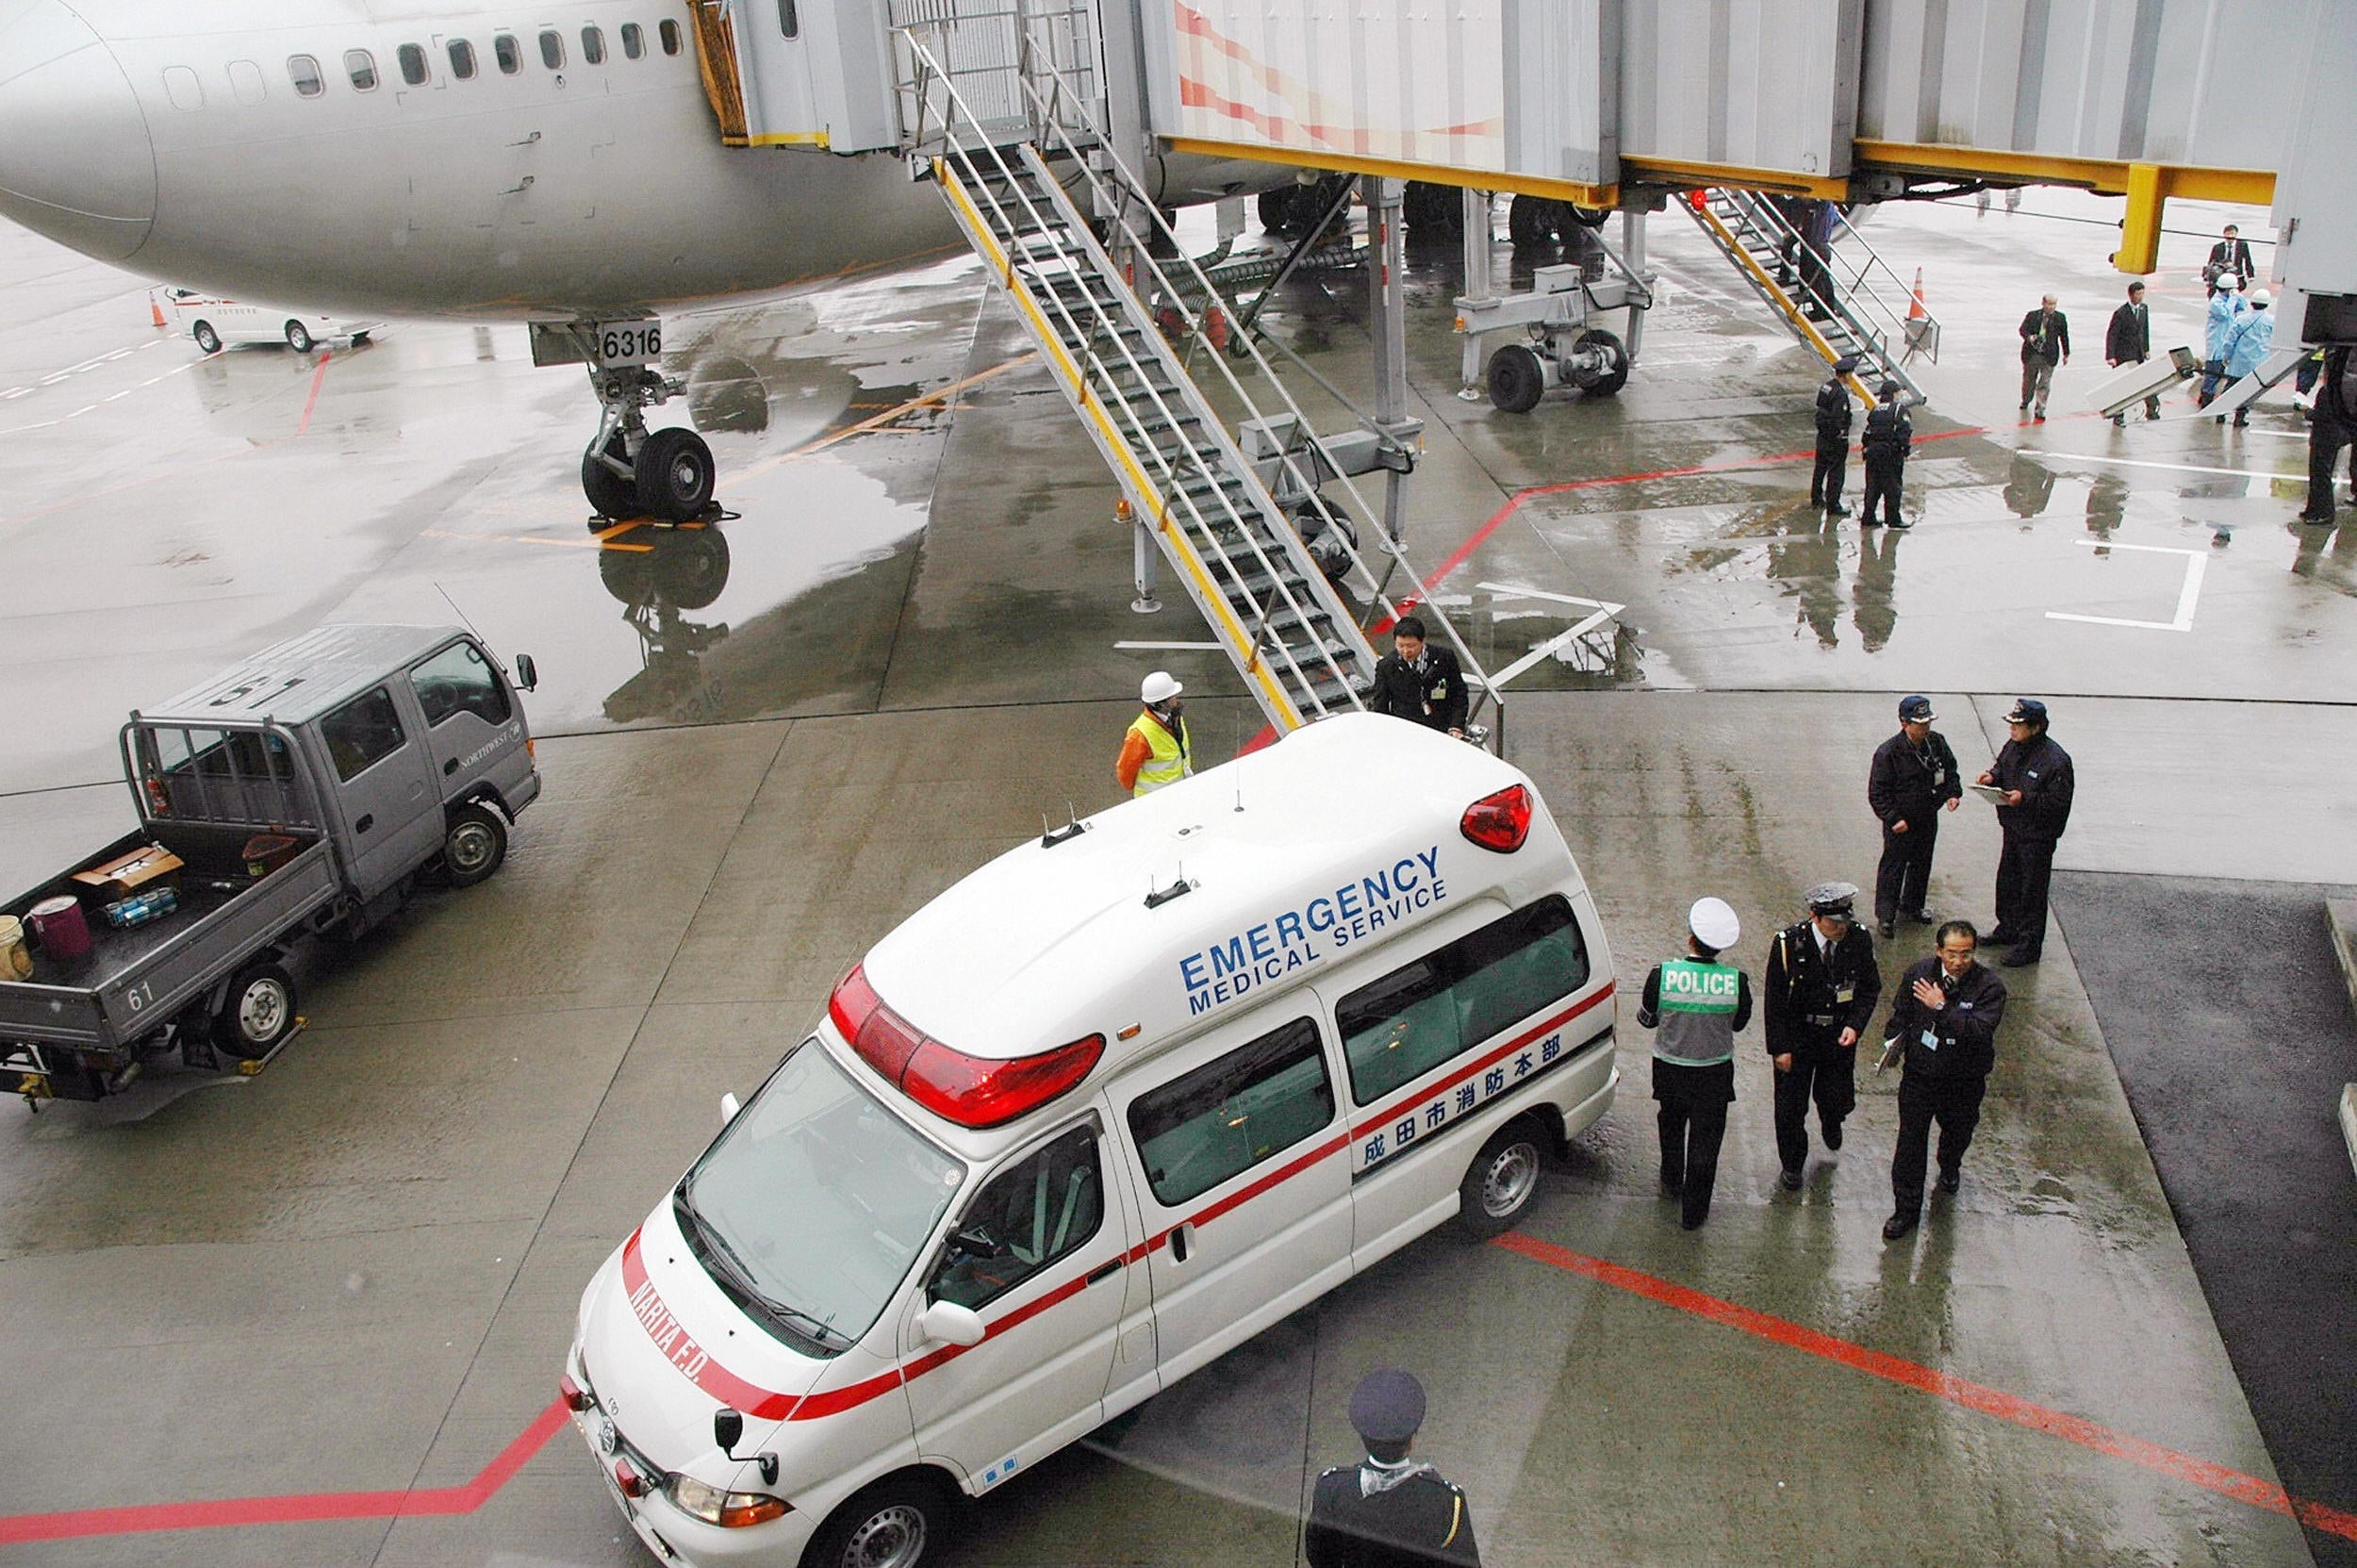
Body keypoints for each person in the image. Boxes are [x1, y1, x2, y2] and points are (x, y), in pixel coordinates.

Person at [1880, 920, 2006, 1240]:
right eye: (1952, 954)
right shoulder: (1919, 973)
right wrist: (1892, 1042)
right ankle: (1905, 1209)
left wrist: (1941, 1007)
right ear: (1939, 951)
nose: (1959, 961)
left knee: (1958, 1133)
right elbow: (1901, 1014)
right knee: (1910, 1142)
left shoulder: (1989, 987)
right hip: (1921, 1076)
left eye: (1966, 954)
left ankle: (1950, 1166)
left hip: (1963, 1080)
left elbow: (1979, 1031)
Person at [1638, 897, 1752, 1230]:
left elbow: (1647, 1020)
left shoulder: (1662, 975)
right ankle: (1694, 1214)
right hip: (1713, 1075)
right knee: (1705, 1143)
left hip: (1670, 1071)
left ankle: (1672, 1180)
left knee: (1671, 1127)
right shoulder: (1735, 982)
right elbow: (1739, 1024)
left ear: (1690, 939)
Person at [1761, 882, 1882, 1188]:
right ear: (1815, 916)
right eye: (1834, 923)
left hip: (1837, 1037)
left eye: (1845, 921)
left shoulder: (1859, 939)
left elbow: (1869, 988)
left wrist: (1855, 1024)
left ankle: (1832, 1120)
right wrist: (1780, 1048)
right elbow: (1774, 1000)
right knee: (1790, 1107)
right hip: (1798, 1036)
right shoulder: (1789, 943)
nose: (1841, 928)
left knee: (1835, 1097)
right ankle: (1792, 1164)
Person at [1306, 1369, 1481, 1568]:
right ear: (1413, 1438)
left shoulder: (1331, 1489)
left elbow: (1319, 1555)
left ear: (1363, 1436)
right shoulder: (1447, 1501)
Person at [1976, 698, 2074, 967]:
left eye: (2018, 725)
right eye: (2011, 724)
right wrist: (1992, 777)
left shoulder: (2056, 761)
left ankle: (2030, 945)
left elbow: (2057, 804)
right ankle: (2008, 928)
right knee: (2007, 882)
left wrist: (2025, 799)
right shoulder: (2014, 746)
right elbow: (2002, 767)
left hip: (2037, 837)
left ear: (2036, 727)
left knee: (2032, 890)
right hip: (2013, 828)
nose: (2012, 730)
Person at [1868, 695, 1962, 938]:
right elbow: (1878, 793)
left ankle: (1912, 906)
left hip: (1927, 816)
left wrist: (1952, 794)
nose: (1925, 728)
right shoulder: (1888, 753)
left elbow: (1950, 771)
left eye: (1927, 723)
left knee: (1922, 863)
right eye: (1919, 724)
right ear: (1904, 723)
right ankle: (1886, 915)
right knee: (1893, 867)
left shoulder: (1937, 743)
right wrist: (1892, 819)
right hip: (1901, 822)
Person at [1367, 615, 1467, 737]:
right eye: (1400, 645)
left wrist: (1456, 725)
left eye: (1411, 646)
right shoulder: (1386, 666)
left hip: (1440, 728)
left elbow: (1459, 693)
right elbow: (1380, 706)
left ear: (1422, 641)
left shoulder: (1444, 658)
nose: (1405, 651)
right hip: (1406, 731)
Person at [2302, 345, 2357, 524]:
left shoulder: (2331, 389)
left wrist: (2312, 412)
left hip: (2330, 421)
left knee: (2321, 466)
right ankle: (2317, 508)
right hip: (2342, 416)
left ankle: (2321, 511)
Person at [1115, 671, 1192, 797]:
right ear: (1160, 704)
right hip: (1154, 800)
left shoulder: (1175, 718)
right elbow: (1125, 774)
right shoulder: (1140, 734)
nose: (1176, 699)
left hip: (1179, 792)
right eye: (1172, 696)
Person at [2216, 288, 2276, 427]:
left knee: (2229, 389)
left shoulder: (2241, 320)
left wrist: (2226, 357)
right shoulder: (2271, 322)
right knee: (2248, 392)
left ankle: (2220, 413)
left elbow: (2229, 341)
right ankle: (2240, 417)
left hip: (2238, 363)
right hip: (2257, 364)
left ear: (2252, 303)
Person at [2104, 280, 2161, 424]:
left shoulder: (2143, 309)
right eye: (2138, 294)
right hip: (2123, 354)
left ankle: (2151, 408)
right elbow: (2112, 335)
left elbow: (2144, 330)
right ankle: (2118, 414)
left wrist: (2146, 348)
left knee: (2142, 381)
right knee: (2123, 386)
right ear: (2131, 295)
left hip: (2138, 353)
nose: (2140, 297)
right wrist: (2110, 355)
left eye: (2142, 293)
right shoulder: (2121, 313)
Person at [1810, 354, 1861, 515]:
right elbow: (1838, 418)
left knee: (1820, 468)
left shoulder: (1827, 387)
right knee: (1836, 472)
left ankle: (1816, 498)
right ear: (1845, 374)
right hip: (1834, 440)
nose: (1851, 377)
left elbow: (1820, 407)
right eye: (1850, 374)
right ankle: (1834, 505)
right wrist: (1841, 435)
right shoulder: (1840, 394)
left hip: (1822, 437)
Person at [1857, 380, 1912, 529]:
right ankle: (1893, 518)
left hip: (1873, 453)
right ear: (1894, 393)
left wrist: (1866, 449)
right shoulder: (1899, 409)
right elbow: (1904, 431)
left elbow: (1867, 432)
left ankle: (1868, 516)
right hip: (1890, 453)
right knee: (1893, 486)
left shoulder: (1875, 409)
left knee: (1873, 486)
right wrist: (1905, 449)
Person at [2018, 294, 2069, 421]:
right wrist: (2029, 337)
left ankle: (2040, 409)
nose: (2051, 307)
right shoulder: (2032, 316)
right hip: (2032, 354)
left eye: (2054, 304)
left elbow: (2064, 336)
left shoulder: (2060, 318)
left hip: (2049, 355)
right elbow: (2022, 330)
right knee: (2029, 380)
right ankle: (2026, 399)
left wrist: (2066, 353)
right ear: (2043, 303)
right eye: (2049, 304)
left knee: (2045, 383)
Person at [2200, 276, 2246, 408]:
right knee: (2212, 374)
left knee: (2221, 373)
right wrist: (2232, 298)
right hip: (2216, 344)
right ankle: (2206, 398)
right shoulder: (2216, 302)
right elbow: (2226, 314)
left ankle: (2207, 396)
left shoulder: (2229, 300)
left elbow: (2243, 306)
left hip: (2226, 343)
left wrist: (2237, 296)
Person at [2203, 224, 2255, 297]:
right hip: (2221, 276)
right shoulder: (2217, 247)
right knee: (2213, 292)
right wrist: (2207, 276)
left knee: (2234, 292)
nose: (2230, 236)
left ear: (2236, 234)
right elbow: (2211, 263)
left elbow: (2248, 260)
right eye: (2228, 234)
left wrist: (2251, 275)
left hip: (2237, 276)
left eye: (2232, 233)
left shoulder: (2242, 245)